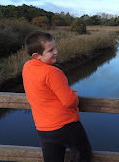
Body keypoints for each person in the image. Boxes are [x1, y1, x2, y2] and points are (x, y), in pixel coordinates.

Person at [22, 31, 91, 162]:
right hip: (65, 125)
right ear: (37, 55)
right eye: (50, 50)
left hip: (43, 128)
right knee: (83, 153)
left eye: (55, 47)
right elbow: (70, 101)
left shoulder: (27, 67)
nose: (56, 52)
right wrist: (74, 93)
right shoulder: (53, 72)